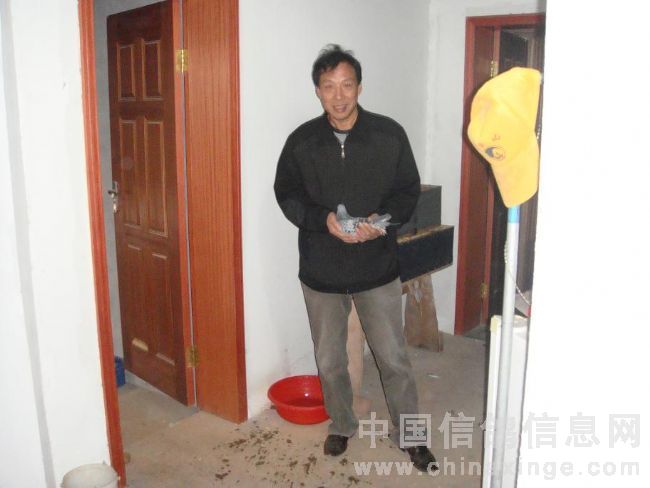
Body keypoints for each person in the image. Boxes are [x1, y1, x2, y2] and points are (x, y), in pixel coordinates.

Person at [274, 44, 437, 472]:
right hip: (321, 270)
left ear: (360, 87)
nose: (339, 95)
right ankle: (343, 424)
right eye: (329, 86)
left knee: (393, 358)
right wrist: (322, 219)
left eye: (347, 85)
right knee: (330, 361)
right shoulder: (302, 141)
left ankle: (411, 436)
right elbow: (286, 194)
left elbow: (407, 191)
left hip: (377, 267)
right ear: (317, 91)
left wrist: (381, 222)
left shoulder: (388, 134)